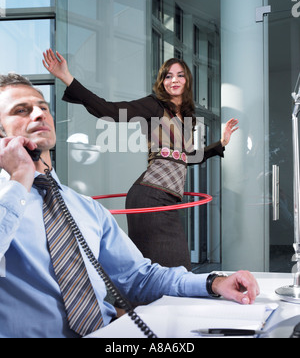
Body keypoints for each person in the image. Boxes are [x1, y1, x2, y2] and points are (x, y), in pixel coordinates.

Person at [0, 73, 259, 338]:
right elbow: (109, 109)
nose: (38, 114)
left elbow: (139, 277)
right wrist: (20, 178)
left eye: (43, 107)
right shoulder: (6, 202)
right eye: (21, 110)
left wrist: (214, 282)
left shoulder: (85, 209)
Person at [43, 49, 238, 271]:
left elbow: (188, 157)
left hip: (169, 199)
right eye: (168, 75)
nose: (174, 80)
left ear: (188, 80)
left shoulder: (189, 118)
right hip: (150, 197)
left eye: (180, 75)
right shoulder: (154, 106)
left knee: (170, 270)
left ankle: (137, 305)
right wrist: (67, 77)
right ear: (162, 81)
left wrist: (221, 143)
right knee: (169, 270)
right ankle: (136, 305)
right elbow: (109, 111)